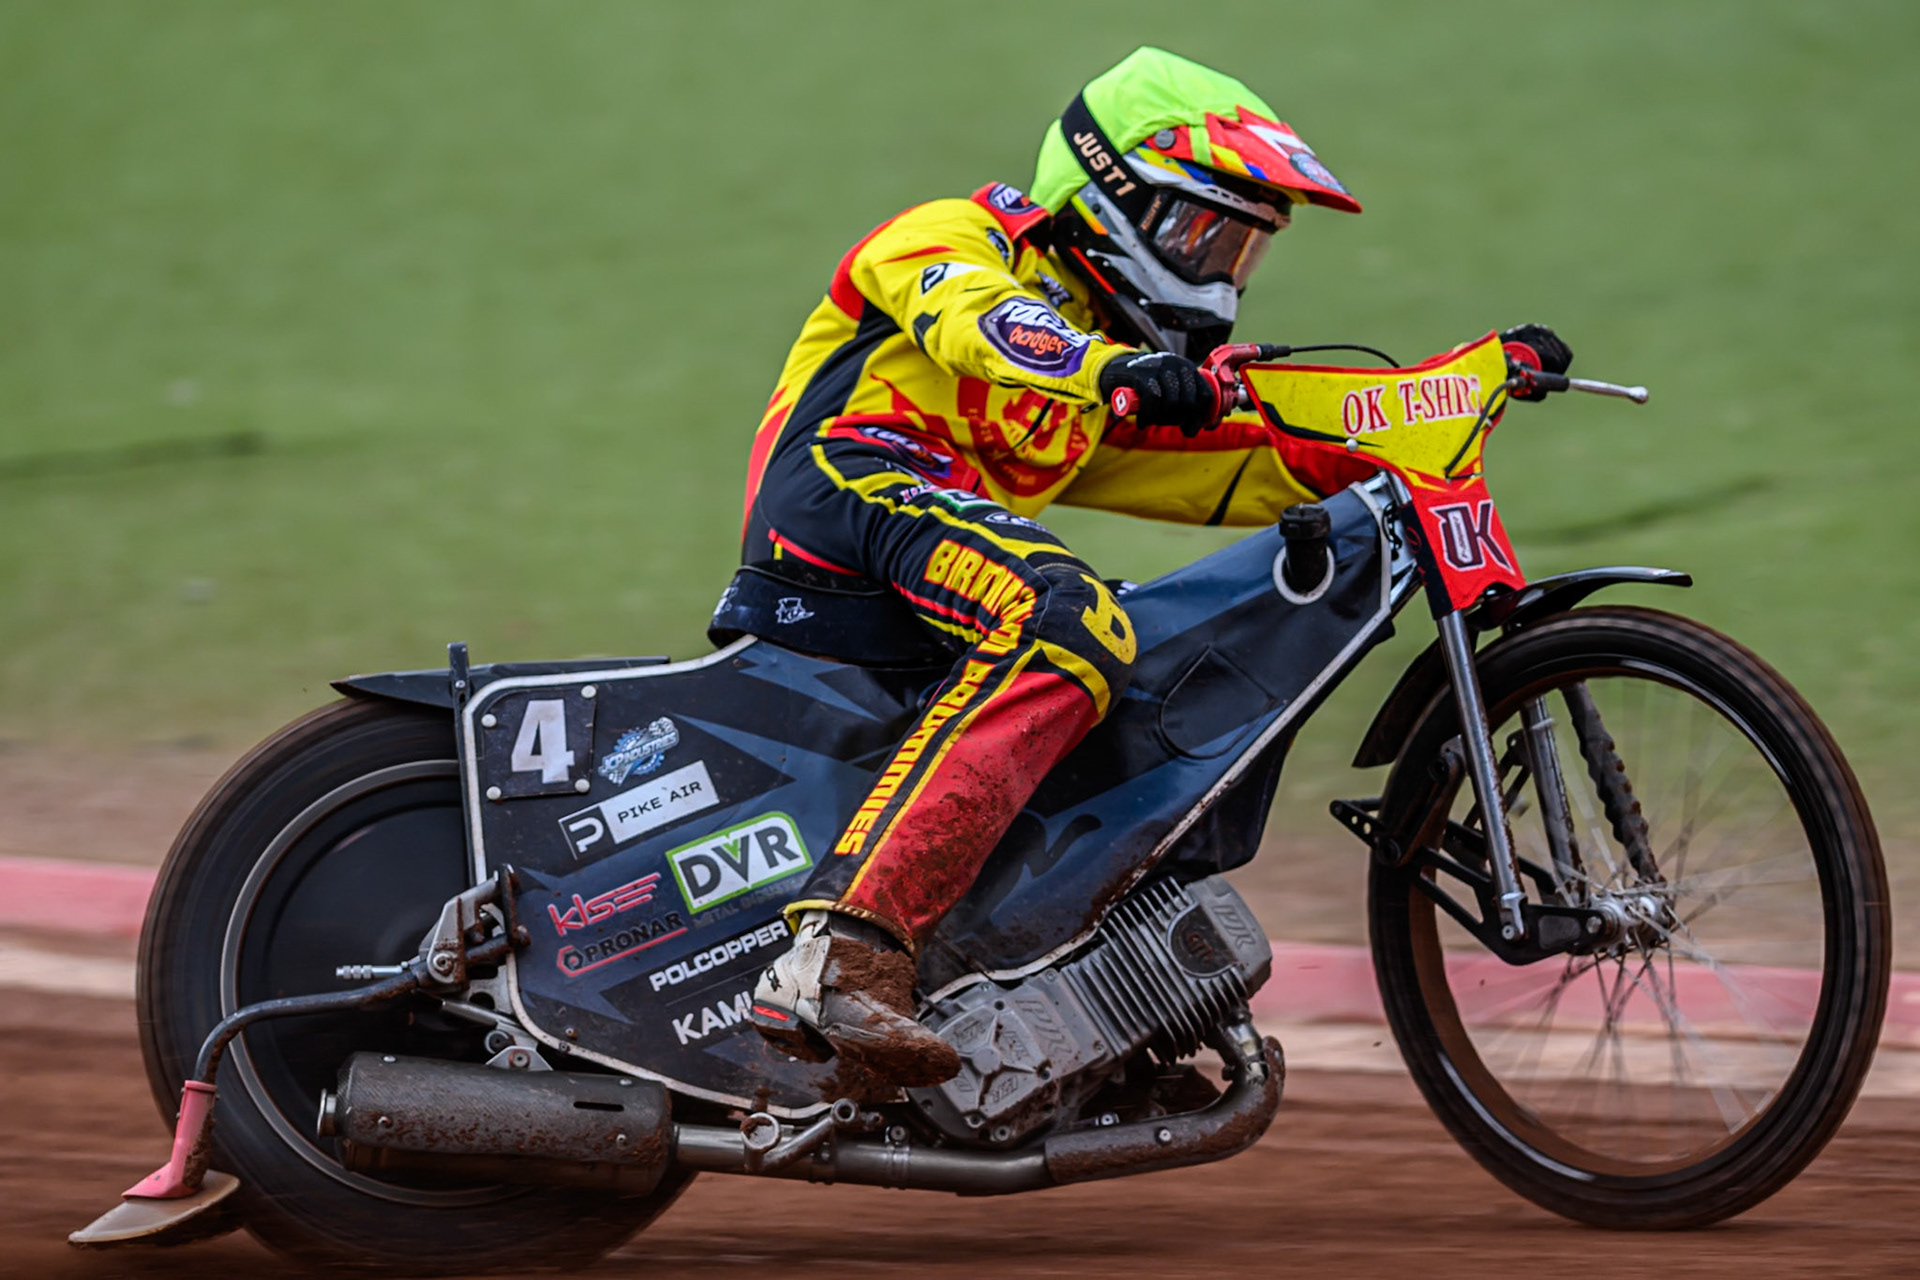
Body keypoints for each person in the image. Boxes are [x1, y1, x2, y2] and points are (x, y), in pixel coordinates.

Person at [736, 47, 1570, 1085]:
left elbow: (1256, 461)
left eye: (1245, 250)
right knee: (1070, 617)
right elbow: (983, 323)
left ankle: (1079, 1010)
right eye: (1208, 234)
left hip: (931, 556)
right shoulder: (958, 238)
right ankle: (840, 954)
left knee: (1152, 672)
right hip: (839, 493)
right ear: (1114, 196)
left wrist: (1444, 397)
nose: (1224, 275)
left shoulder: (1101, 366)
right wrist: (1108, 368)